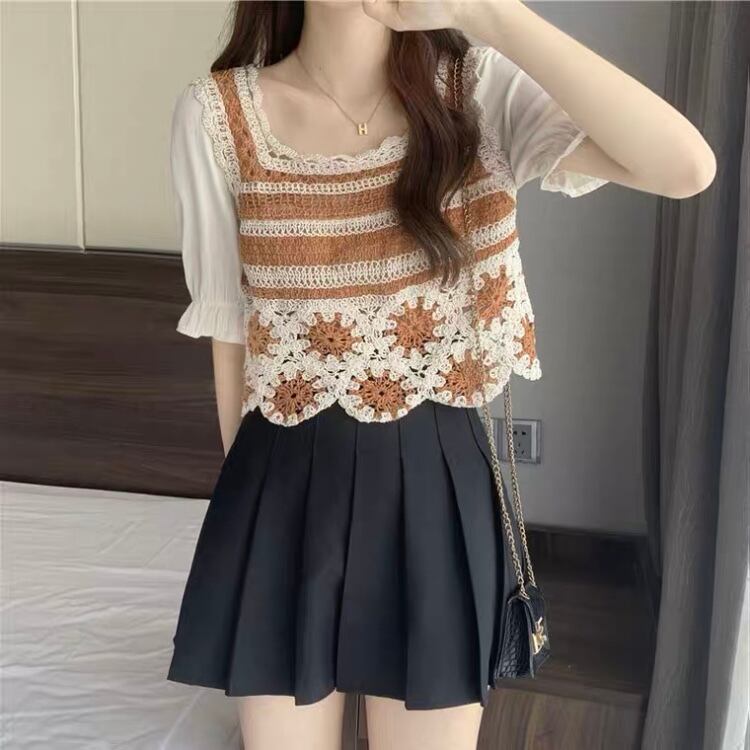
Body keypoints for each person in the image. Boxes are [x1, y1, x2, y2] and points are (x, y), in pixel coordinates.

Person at [165, 1, 715, 748]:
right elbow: (231, 333)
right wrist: (249, 522)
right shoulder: (218, 116)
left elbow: (685, 167)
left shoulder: (478, 93)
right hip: (281, 485)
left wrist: (487, 12)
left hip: (438, 492)